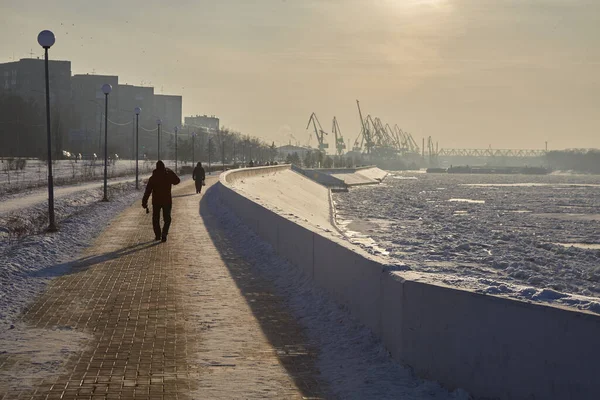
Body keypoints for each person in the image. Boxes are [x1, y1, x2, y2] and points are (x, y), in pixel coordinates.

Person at [142, 160, 180, 242]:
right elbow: (177, 181)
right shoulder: (168, 174)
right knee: (167, 218)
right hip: (167, 200)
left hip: (156, 201)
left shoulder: (153, 178)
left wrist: (144, 202)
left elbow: (148, 191)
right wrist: (170, 171)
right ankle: (164, 233)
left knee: (155, 218)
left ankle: (158, 235)